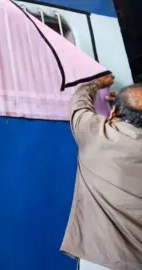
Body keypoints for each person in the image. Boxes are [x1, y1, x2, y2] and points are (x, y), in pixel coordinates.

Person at [61, 74, 142, 270]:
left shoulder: (97, 135)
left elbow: (78, 104)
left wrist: (96, 84)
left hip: (102, 260)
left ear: (112, 113)